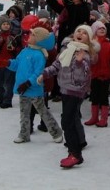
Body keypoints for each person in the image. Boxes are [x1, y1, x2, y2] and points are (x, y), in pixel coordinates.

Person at [39, 24, 95, 169]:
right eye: (78, 31)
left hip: (76, 91)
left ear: (88, 39)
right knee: (68, 120)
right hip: (65, 89)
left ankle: (75, 154)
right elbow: (56, 66)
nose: (80, 34)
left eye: (84, 33)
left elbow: (85, 74)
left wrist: (79, 62)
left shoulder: (86, 54)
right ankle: (75, 150)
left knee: (67, 121)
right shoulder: (66, 50)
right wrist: (44, 74)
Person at [8, 27, 64, 144]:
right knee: (24, 113)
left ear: (39, 40)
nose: (30, 35)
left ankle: (56, 132)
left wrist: (28, 83)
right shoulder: (24, 51)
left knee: (43, 112)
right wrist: (8, 63)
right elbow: (17, 64)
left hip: (34, 89)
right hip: (22, 89)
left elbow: (38, 73)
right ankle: (24, 134)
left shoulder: (39, 55)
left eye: (33, 34)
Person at [83, 20, 110, 128]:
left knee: (103, 97)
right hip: (94, 74)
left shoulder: (109, 45)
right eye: (99, 28)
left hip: (105, 74)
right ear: (94, 31)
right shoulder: (91, 45)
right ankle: (94, 117)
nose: (102, 29)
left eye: (104, 28)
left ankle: (104, 119)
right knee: (94, 97)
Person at [0, 17, 21, 108]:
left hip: (9, 64)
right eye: (4, 24)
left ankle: (7, 100)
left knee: (8, 83)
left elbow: (18, 50)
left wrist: (14, 49)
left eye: (7, 24)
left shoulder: (13, 37)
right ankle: (1, 98)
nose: (6, 26)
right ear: (0, 26)